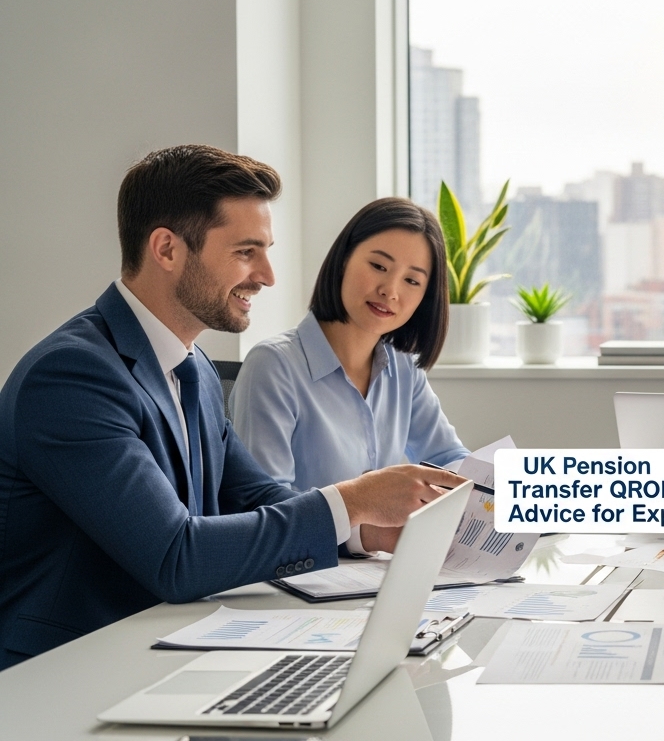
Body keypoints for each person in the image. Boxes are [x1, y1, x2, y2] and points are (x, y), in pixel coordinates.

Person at [0, 145, 462, 669]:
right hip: (61, 671)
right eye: (246, 252)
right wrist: (353, 500)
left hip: (157, 648)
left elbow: (254, 496)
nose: (267, 276)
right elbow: (176, 555)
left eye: (266, 251)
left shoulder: (190, 364)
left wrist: (365, 530)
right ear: (167, 249)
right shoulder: (71, 376)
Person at [231, 197, 471, 555]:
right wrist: (367, 535)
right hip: (297, 580)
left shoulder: (403, 368)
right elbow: (266, 513)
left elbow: (448, 457)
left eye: (412, 280)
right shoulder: (273, 366)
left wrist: (488, 497)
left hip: (377, 575)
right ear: (343, 259)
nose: (391, 290)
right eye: (378, 265)